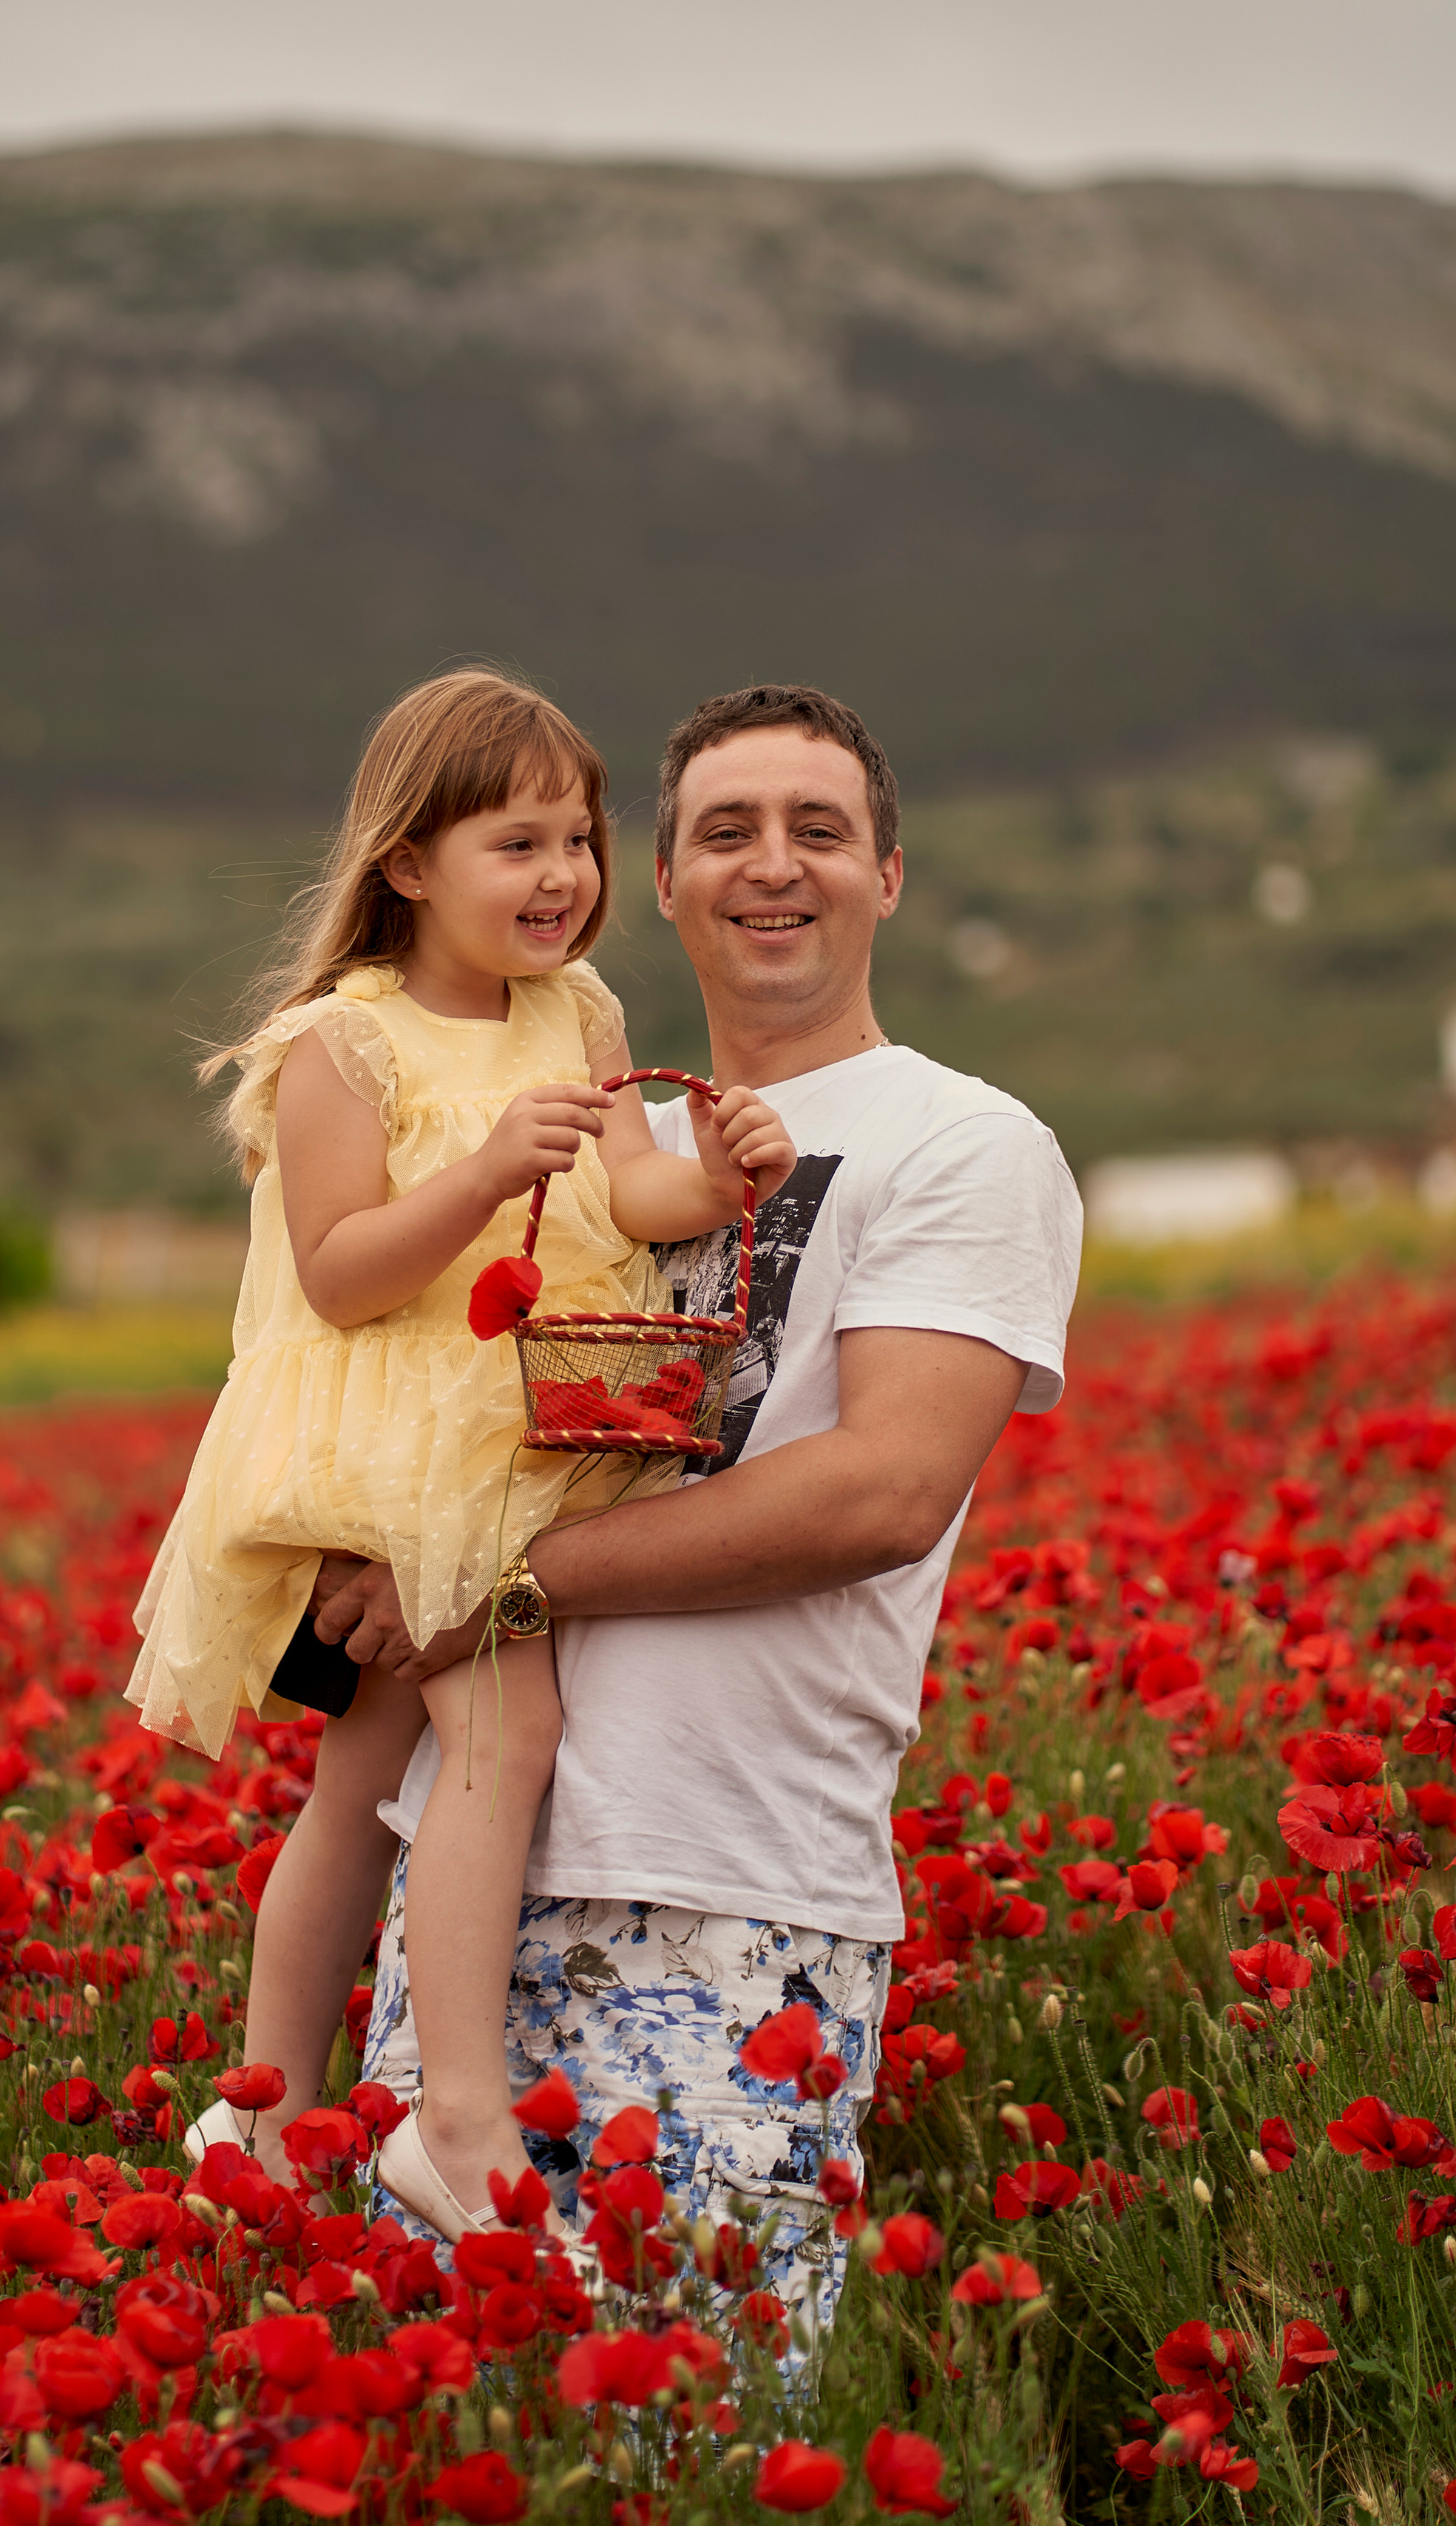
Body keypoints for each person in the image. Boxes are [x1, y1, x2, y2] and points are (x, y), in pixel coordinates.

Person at [313, 682, 1083, 2326]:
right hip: (464, 1897)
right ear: (655, 882)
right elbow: (387, 1383)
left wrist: (496, 1580)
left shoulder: (961, 1142)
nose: (771, 866)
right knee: (431, 2445)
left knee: (697, 2442)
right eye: (723, 832)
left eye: (818, 829)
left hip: (736, 1896)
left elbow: (878, 1491)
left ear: (891, 874)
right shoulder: (591, 1143)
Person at [128, 668, 795, 2238]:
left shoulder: (582, 1012)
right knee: (500, 1744)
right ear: (408, 864)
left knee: (360, 1782)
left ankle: (261, 2114)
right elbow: (341, 1269)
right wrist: (486, 1167)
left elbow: (625, 1193)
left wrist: (718, 1177)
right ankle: (457, 2115)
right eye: (517, 843)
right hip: (397, 1444)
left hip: (537, 1418)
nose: (562, 874)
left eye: (577, 838)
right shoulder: (337, 1050)